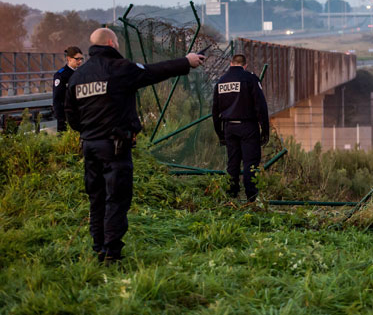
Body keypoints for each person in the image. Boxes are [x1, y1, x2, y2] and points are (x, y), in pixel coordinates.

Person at [65, 27, 204, 264]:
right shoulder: (119, 70)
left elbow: (71, 115)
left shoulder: (78, 76)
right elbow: (153, 72)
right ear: (111, 43)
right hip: (115, 146)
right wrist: (186, 62)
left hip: (89, 145)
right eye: (117, 42)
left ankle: (98, 247)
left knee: (96, 198)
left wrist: (90, 132)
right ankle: (112, 253)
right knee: (116, 198)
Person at [212, 54, 269, 202]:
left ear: (231, 63)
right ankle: (251, 198)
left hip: (229, 127)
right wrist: (265, 130)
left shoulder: (221, 82)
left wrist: (220, 133)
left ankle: (232, 196)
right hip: (247, 126)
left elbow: (215, 110)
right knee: (251, 163)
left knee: (233, 162)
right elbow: (260, 106)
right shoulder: (250, 79)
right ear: (245, 65)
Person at [52, 46, 83, 132]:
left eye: (81, 59)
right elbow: (57, 98)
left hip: (79, 112)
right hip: (66, 114)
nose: (80, 61)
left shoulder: (81, 73)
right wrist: (60, 117)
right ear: (69, 59)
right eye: (77, 59)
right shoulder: (61, 75)